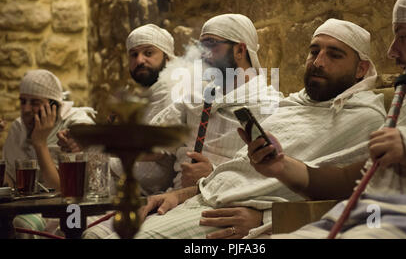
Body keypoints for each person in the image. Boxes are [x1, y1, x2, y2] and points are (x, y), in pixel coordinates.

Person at [93, 18, 387, 239]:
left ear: (361, 68)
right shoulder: (291, 106)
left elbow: (354, 194)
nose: (318, 62)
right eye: (314, 52)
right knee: (96, 235)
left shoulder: (354, 118)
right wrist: (181, 194)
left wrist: (266, 218)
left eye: (334, 55)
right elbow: (240, 170)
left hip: (231, 214)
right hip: (202, 196)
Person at [254, 0, 406, 239]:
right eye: (314, 51)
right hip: (364, 217)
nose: (391, 51)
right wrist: (281, 166)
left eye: (403, 36)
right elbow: (354, 178)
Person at [82, 13, 284, 239]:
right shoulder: (195, 96)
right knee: (93, 236)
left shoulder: (269, 105)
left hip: (219, 203)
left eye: (211, 46)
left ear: (240, 50)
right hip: (176, 199)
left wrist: (212, 175)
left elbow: (270, 175)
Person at [58, 24, 178, 196]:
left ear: (167, 58)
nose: (139, 60)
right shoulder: (143, 97)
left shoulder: (174, 93)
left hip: (157, 201)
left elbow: (157, 149)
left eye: (148, 53)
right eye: (133, 54)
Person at [2, 69, 96, 238]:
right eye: (23, 101)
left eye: (35, 102)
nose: (26, 109)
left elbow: (62, 193)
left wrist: (40, 143)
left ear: (54, 106)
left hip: (71, 211)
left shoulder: (76, 125)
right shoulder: (18, 128)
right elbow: (9, 184)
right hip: (30, 210)